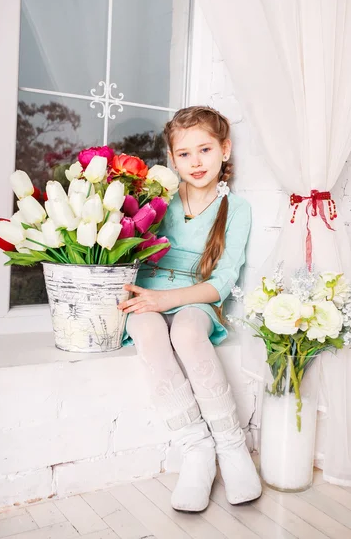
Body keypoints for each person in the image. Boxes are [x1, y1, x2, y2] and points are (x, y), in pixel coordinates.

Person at [118, 106, 261, 512]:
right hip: (145, 291)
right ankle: (196, 448)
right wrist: (150, 299)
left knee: (185, 331)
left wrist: (169, 300)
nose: (195, 162)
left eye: (205, 149)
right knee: (147, 331)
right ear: (172, 158)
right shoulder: (157, 201)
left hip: (196, 298)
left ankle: (231, 446)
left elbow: (222, 282)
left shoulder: (236, 209)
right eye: (184, 154)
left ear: (225, 149)